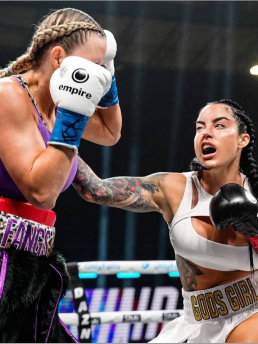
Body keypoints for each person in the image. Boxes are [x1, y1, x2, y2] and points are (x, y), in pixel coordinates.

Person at [72, 99, 258, 343]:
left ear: (242, 140)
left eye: (219, 126)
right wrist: (59, 136)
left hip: (256, 310)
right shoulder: (173, 188)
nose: (206, 133)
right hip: (195, 321)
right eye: (199, 127)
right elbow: (95, 190)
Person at [0, 7, 122, 343]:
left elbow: (111, 132)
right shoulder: (8, 96)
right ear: (58, 57)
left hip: (33, 267)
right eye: (93, 66)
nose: (98, 76)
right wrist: (74, 114)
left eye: (103, 67)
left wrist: (108, 76)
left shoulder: (53, 107)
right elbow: (42, 191)